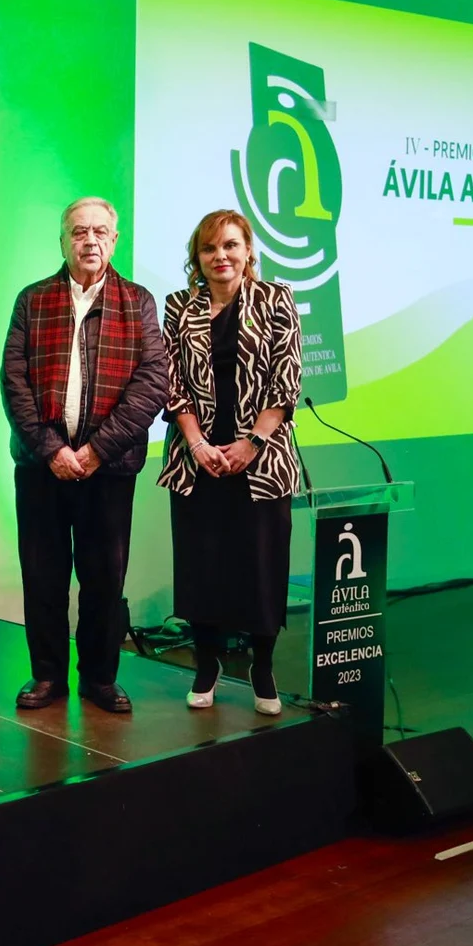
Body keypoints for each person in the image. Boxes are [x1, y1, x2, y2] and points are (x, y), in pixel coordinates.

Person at [1, 196, 168, 714]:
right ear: (63, 240)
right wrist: (51, 449)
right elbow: (14, 382)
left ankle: (100, 677)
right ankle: (47, 676)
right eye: (78, 231)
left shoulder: (137, 302)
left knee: (103, 578)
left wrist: (96, 450)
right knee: (43, 576)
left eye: (99, 231)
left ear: (114, 240)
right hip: (41, 469)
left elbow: (152, 381)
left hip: (109, 470)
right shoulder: (32, 300)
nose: (89, 240)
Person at [159, 210, 303, 715]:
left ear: (248, 251)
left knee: (261, 567)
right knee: (202, 566)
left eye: (231, 246)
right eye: (209, 248)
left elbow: (286, 383)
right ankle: (207, 663)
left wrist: (251, 444)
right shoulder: (179, 306)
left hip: (261, 462)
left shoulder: (277, 300)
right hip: (197, 461)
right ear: (196, 258)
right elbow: (171, 385)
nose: (220, 256)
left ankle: (262, 668)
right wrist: (198, 445)